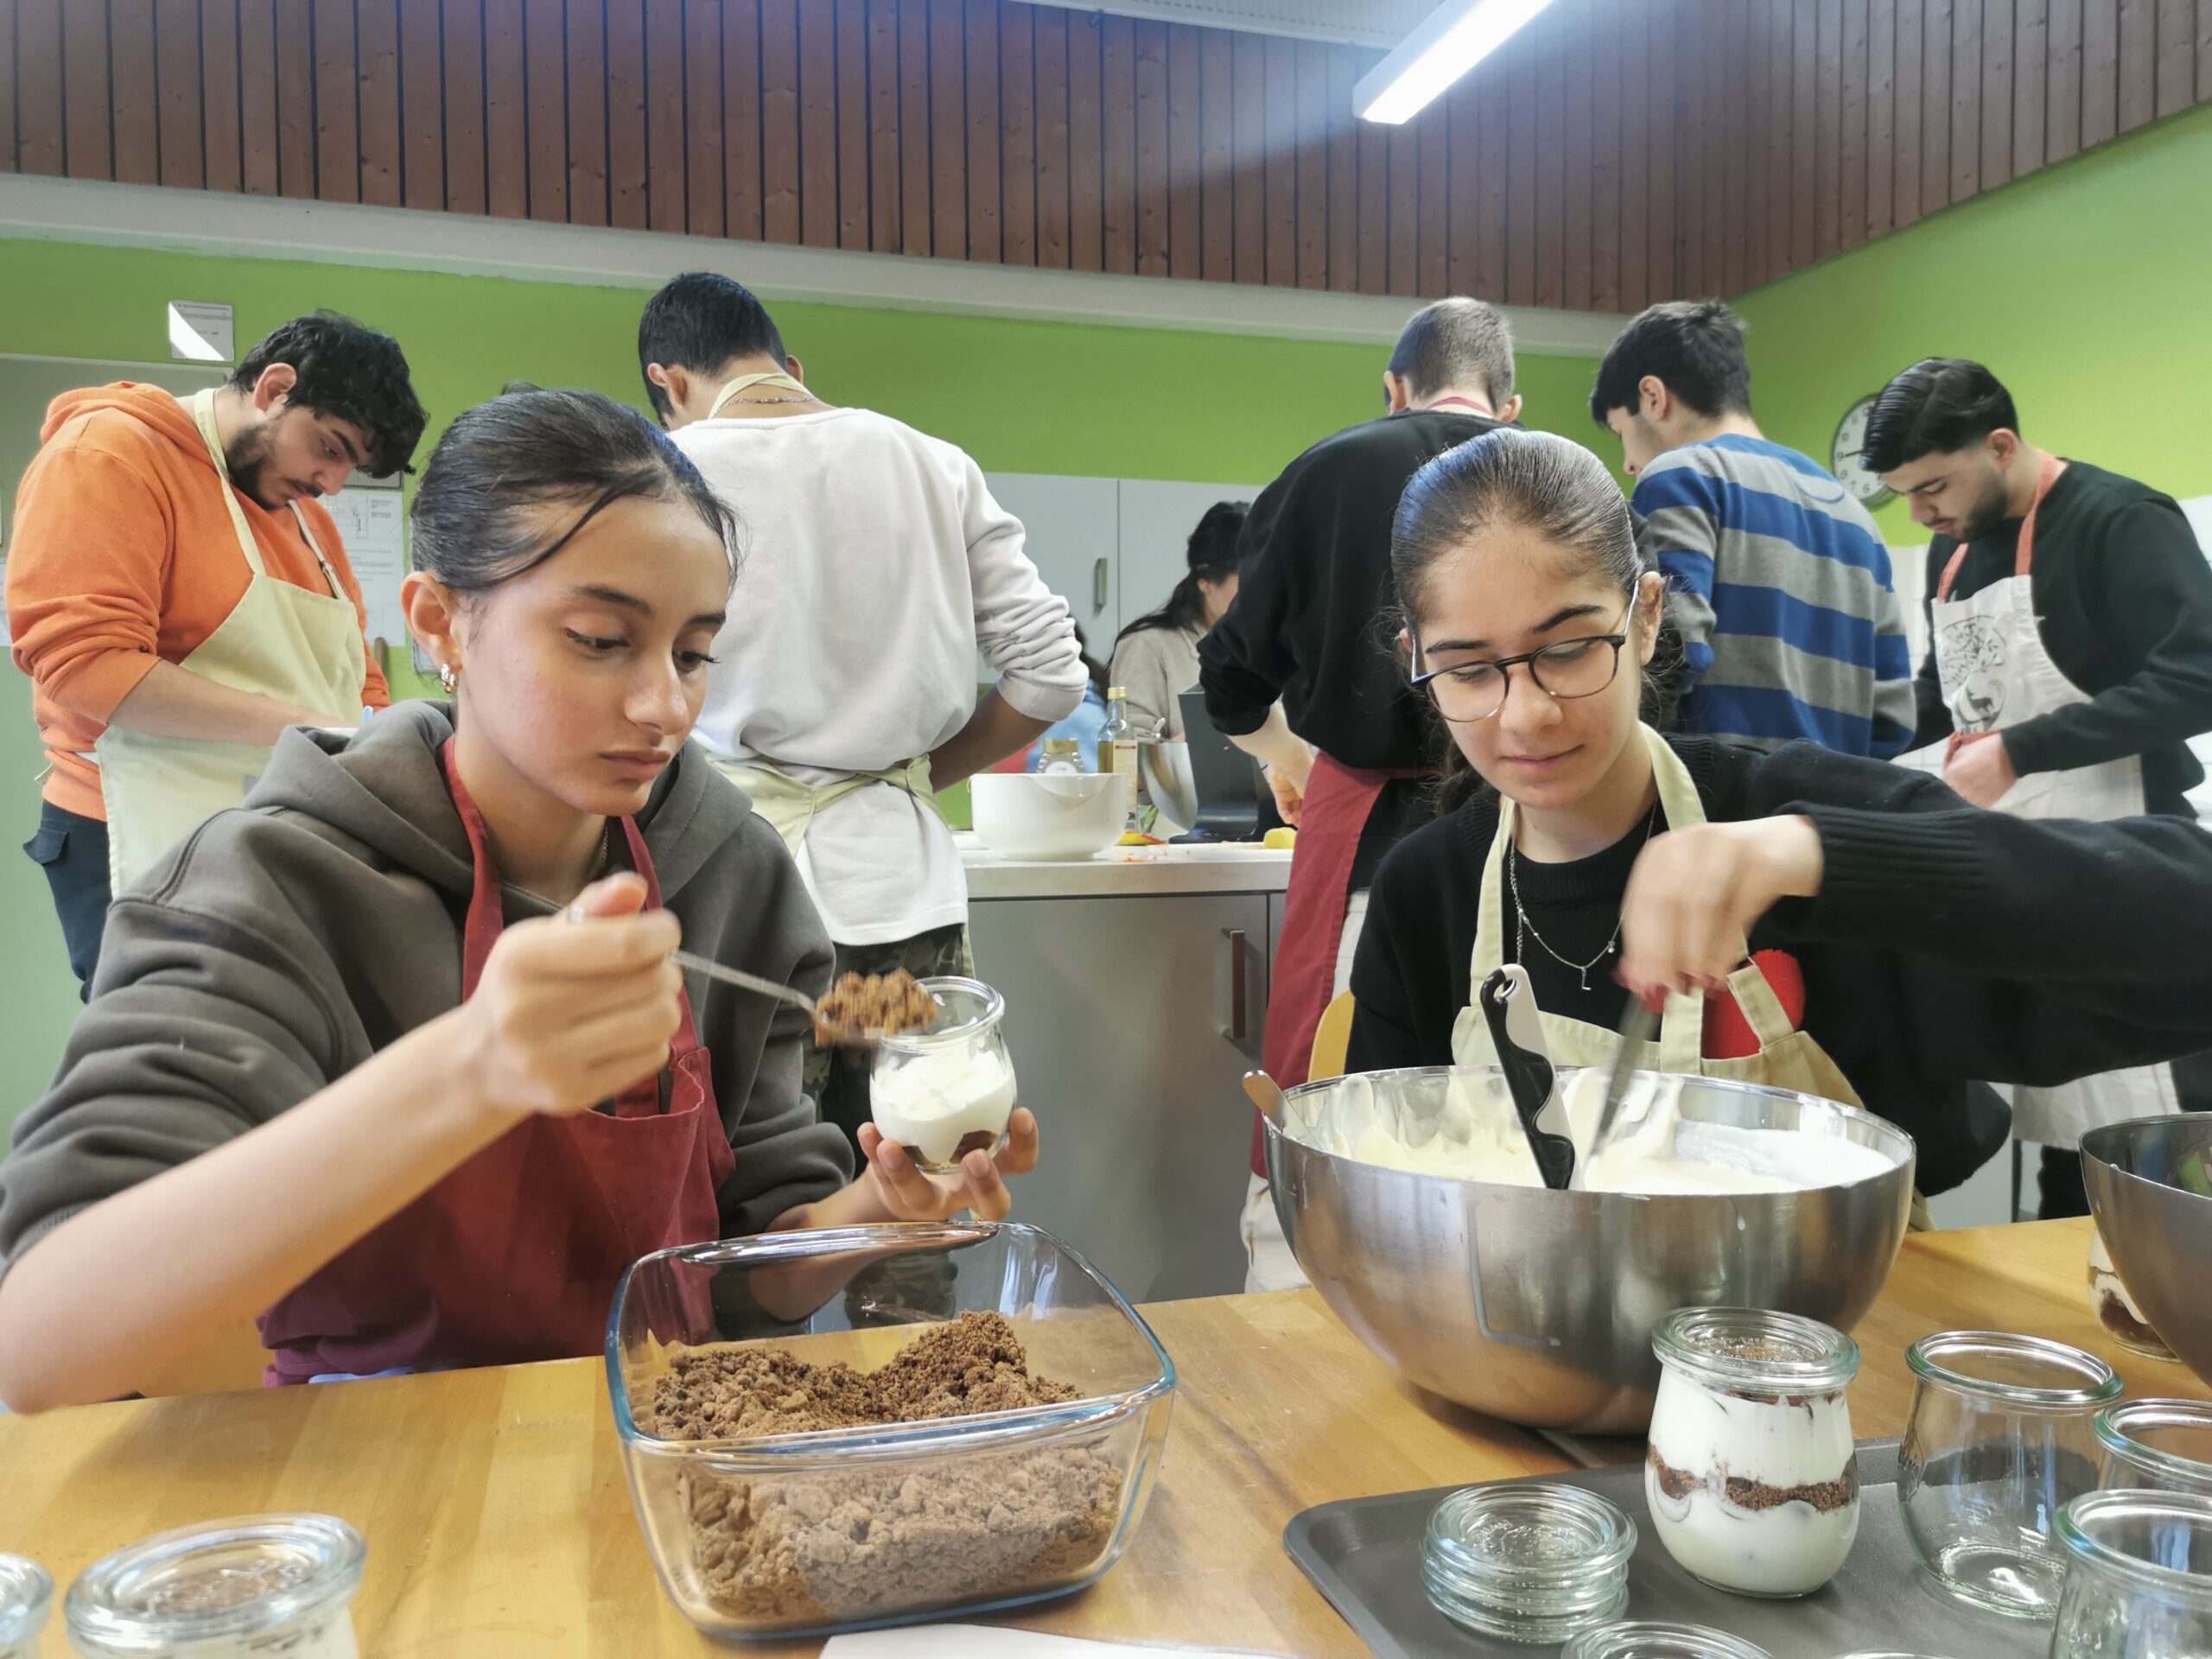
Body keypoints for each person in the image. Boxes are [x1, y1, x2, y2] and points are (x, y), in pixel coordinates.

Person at [0, 389, 1039, 1413]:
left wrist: (879, 1211)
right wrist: (473, 1069)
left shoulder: (734, 872)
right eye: (598, 639)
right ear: (440, 624)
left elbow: (742, 1276)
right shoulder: (273, 885)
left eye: (692, 654)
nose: (665, 706)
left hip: (673, 1441)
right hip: (382, 1455)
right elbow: (36, 1344)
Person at [1333, 429, 2212, 1274]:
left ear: (1645, 617)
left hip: (1826, 1335)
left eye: (1567, 650)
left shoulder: (1791, 816)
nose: (1525, 715)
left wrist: (1818, 858)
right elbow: (1381, 1201)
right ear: (1416, 661)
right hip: (1519, 1331)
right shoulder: (1426, 892)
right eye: (1469, 669)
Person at [638, 273, 1084, 1156]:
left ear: (668, 382)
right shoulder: (932, 462)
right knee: (922, 1170)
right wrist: (914, 777)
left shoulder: (663, 474)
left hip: (738, 897)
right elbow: (1050, 675)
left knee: (754, 1177)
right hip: (903, 898)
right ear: (791, 367)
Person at [1198, 296, 1522, 1291]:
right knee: (1511, 1126)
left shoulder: (1331, 469)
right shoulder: (1554, 477)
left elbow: (1229, 679)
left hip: (1368, 838)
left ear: (1394, 388)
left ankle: (1292, 1328)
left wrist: (1290, 761)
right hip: (1537, 836)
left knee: (1330, 1107)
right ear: (1509, 404)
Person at [1863, 358, 2212, 1216]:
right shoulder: (1951, 549)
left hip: (2127, 869)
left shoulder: (2118, 520)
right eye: (1905, 496)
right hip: (2025, 877)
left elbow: (2198, 676)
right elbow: (1941, 696)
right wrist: (1868, 773)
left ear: (2000, 445)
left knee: (2139, 1151)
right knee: (2055, 1130)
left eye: (1933, 486)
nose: (1922, 514)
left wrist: (2022, 750)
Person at [8, 314, 428, 995]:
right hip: (135, 820)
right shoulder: (111, 453)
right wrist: (309, 730)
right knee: (184, 1035)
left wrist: (380, 739)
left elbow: (357, 674)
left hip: (268, 823)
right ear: (275, 388)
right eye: (329, 448)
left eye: (349, 467)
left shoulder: (310, 523)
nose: (331, 482)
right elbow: (84, 665)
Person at [1590, 301, 1915, 760]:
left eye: (1620, 430)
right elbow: (1894, 716)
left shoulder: (1682, 475)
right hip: (1833, 798)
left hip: (1716, 791)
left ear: (1653, 396)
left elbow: (1670, 654)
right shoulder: (1855, 516)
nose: (1627, 462)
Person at [1109, 500, 1248, 739]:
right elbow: (1130, 747)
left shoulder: (1282, 645)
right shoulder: (1148, 646)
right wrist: (1217, 731)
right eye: (1250, 580)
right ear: (1206, 580)